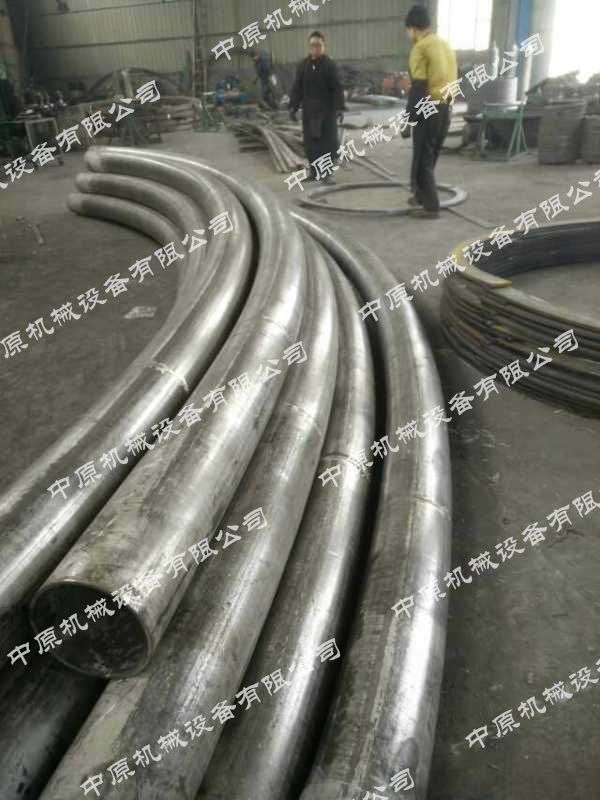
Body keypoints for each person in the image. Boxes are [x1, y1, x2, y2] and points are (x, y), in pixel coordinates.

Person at [402, 5, 457, 219]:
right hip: (446, 107)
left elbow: (419, 86)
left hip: (429, 107)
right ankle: (420, 196)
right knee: (430, 155)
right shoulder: (445, 45)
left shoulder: (420, 48)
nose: (408, 35)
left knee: (422, 158)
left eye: (408, 31)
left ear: (413, 28)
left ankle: (431, 206)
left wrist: (409, 119)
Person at [289, 31, 346, 185]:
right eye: (312, 45)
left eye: (318, 45)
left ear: (323, 46)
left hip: (326, 111)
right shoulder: (303, 65)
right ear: (309, 47)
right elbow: (297, 88)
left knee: (327, 143)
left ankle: (327, 174)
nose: (315, 48)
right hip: (309, 112)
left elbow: (337, 88)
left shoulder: (329, 65)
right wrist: (293, 106)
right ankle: (315, 172)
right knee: (311, 144)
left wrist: (339, 107)